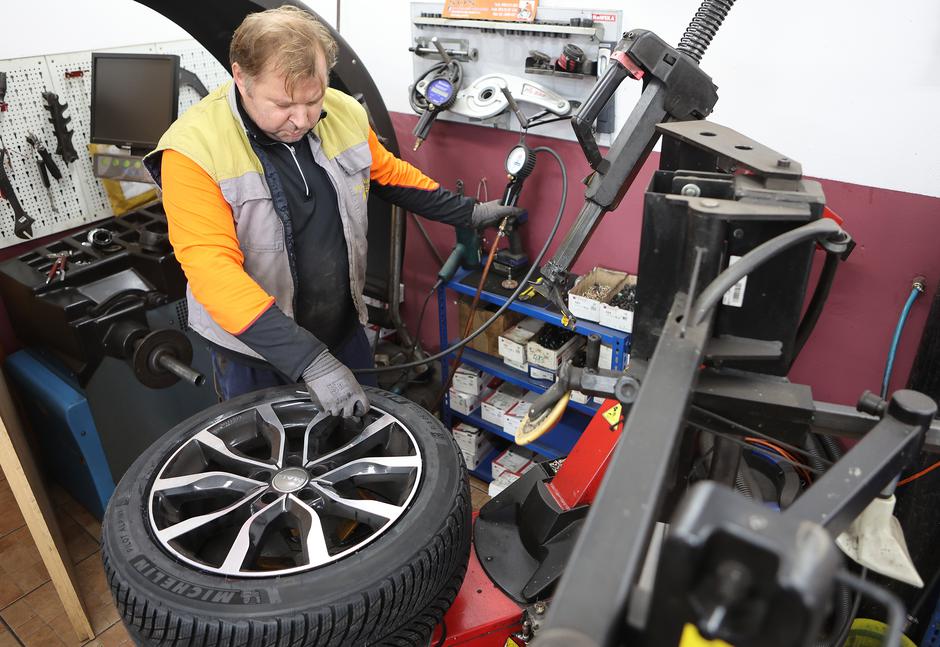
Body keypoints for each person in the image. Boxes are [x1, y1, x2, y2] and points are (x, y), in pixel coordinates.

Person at [144, 6, 520, 417]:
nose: (303, 119)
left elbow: (389, 174)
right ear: (241, 77)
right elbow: (214, 274)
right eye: (284, 104)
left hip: (342, 329)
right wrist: (310, 361)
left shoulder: (341, 111)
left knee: (363, 436)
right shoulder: (192, 151)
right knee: (272, 464)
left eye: (313, 99)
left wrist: (467, 212)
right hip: (254, 350)